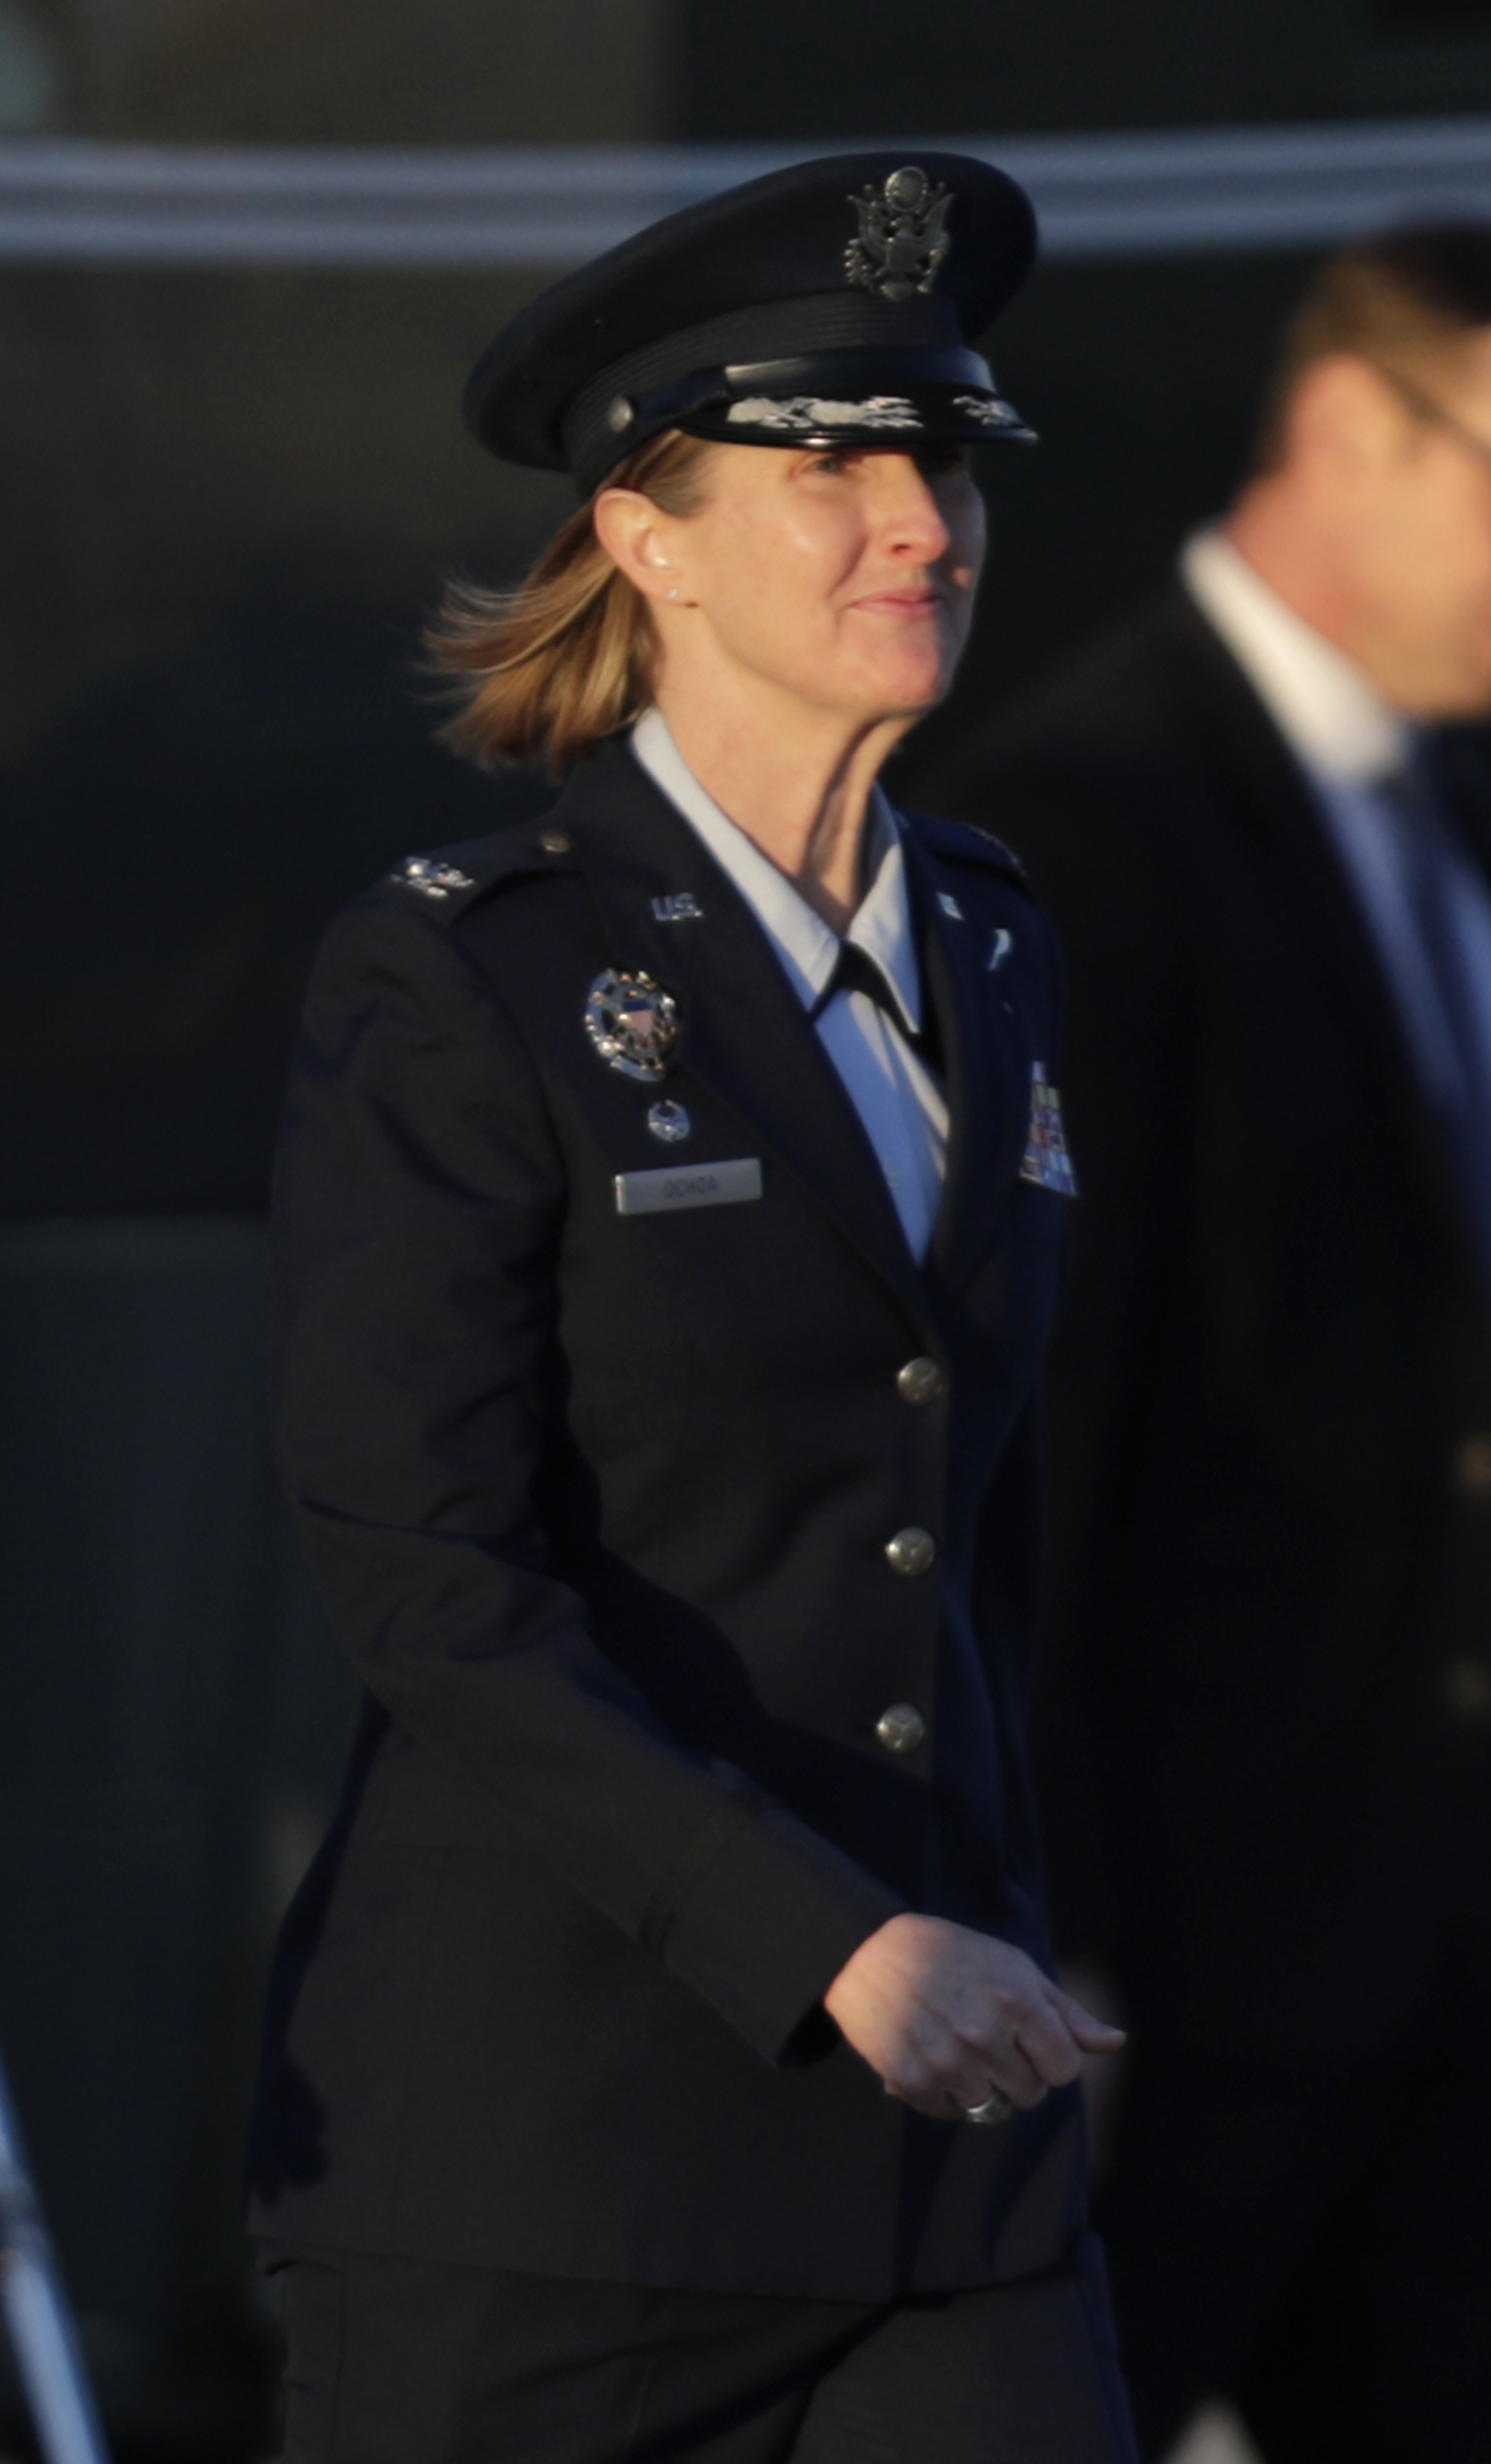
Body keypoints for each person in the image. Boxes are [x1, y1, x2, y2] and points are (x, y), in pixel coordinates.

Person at [246, 154, 1136, 2464]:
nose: (913, 520)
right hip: (552, 2185)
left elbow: (977, 1509)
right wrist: (824, 1939)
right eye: (823, 467)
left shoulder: (1001, 942)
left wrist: (1028, 1909)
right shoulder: (470, 967)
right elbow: (422, 1575)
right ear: (644, 537)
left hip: (947, 2180)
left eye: (933, 456)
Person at [933, 224, 1491, 2463]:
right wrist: (1038, 1931)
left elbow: (1448, 1299)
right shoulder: (1091, 826)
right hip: (1179, 1964)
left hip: (1448, 1926)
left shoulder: (1439, 800)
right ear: (1349, 430)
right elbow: (1019, 1420)